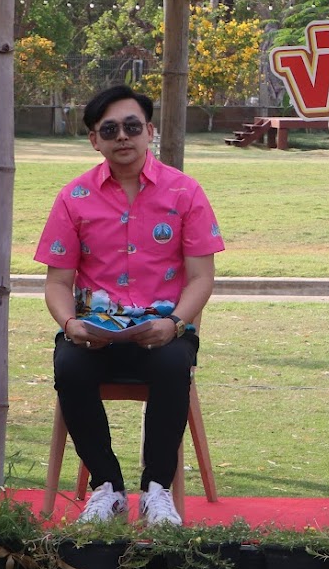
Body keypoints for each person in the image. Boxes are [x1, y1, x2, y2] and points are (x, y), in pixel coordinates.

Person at [36, 85, 225, 526]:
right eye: (110, 129)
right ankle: (109, 487)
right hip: (95, 332)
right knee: (70, 367)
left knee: (171, 366)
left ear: (149, 132)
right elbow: (57, 282)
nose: (122, 136)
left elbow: (202, 277)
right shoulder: (73, 197)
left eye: (132, 126)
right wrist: (70, 323)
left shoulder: (185, 193)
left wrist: (177, 323)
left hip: (163, 330)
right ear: (94, 140)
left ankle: (158, 489)